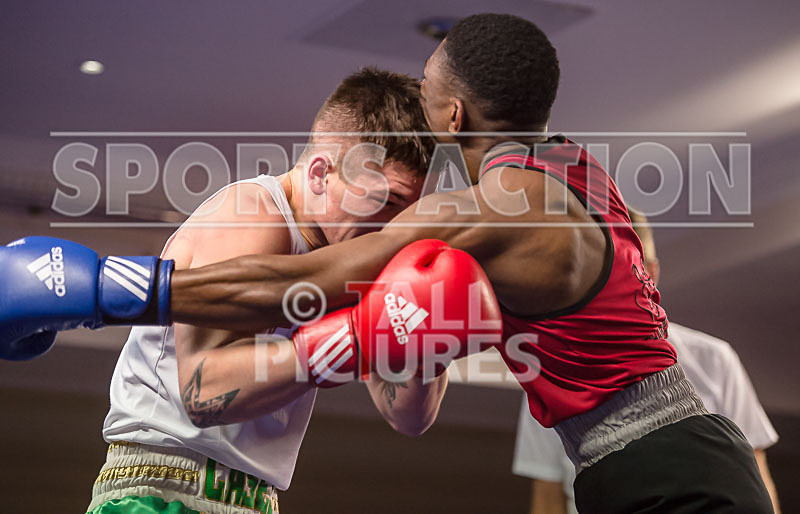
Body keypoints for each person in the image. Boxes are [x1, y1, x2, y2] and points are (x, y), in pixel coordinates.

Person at [0, 13, 775, 513]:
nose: (393, 228)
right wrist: (386, 333)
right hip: (667, 461)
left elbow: (368, 366)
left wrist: (99, 291)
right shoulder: (584, 174)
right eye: (382, 206)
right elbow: (233, 374)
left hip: (656, 470)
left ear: (452, 119)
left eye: (405, 207)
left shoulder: (485, 213)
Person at [89, 68, 462, 513]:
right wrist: (348, 341)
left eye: (409, 215)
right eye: (385, 203)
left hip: (254, 498)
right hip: (163, 488)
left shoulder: (358, 256)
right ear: (322, 173)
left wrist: (427, 342)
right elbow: (202, 394)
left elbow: (408, 416)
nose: (392, 230)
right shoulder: (254, 217)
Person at [512, 209, 782, 514]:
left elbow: (756, 478)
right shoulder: (553, 377)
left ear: (647, 273)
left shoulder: (716, 360)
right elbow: (547, 500)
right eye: (603, 268)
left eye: (627, 267)